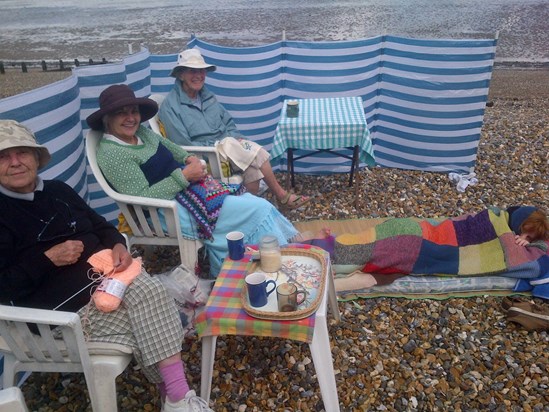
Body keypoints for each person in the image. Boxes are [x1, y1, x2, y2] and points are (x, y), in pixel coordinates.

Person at [0, 120, 212, 412]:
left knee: (148, 296)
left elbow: (101, 226)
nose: (15, 162)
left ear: (36, 157)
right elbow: (4, 285)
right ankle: (176, 395)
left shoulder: (59, 191)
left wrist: (117, 246)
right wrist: (47, 259)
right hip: (60, 315)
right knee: (156, 303)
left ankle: (175, 396)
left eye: (22, 152)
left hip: (111, 284)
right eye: (3, 156)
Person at [87, 84, 327, 277]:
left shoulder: (142, 133)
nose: (130, 118)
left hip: (186, 192)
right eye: (121, 113)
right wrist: (183, 176)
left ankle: (282, 244)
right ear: (107, 119)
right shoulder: (112, 154)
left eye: (133, 111)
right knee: (258, 205)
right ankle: (277, 252)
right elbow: (142, 198)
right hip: (163, 211)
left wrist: (190, 159)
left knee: (242, 197)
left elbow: (173, 148)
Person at [157, 48, 311, 210]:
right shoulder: (170, 107)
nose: (198, 75)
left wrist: (237, 138)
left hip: (228, 149)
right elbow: (181, 146)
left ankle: (247, 212)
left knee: (253, 169)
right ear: (180, 74)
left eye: (201, 70)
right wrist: (222, 144)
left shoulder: (207, 97)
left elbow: (228, 122)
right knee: (253, 153)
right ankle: (282, 196)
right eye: (192, 71)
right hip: (206, 156)